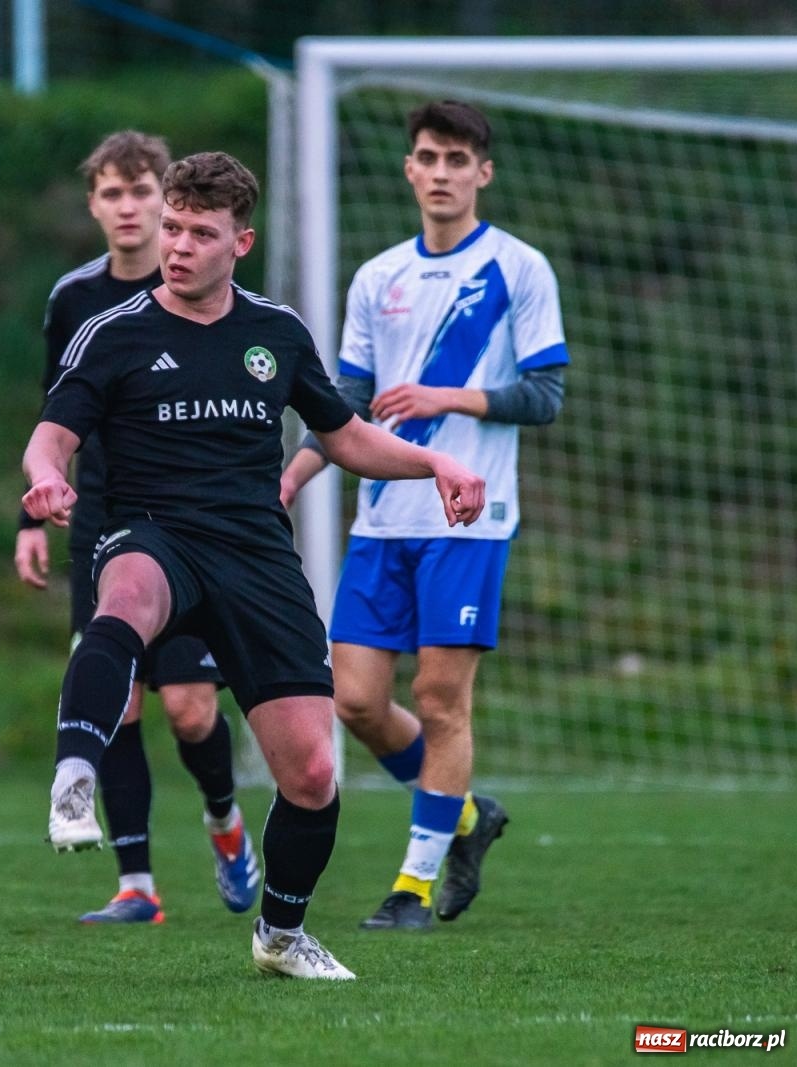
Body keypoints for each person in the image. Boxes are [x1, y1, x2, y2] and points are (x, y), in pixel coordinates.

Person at [22, 151, 486, 980]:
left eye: (200, 233)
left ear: (241, 241)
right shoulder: (115, 331)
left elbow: (345, 437)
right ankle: (74, 773)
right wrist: (48, 476)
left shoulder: (276, 332)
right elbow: (51, 433)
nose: (179, 246)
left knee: (311, 770)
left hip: (256, 554)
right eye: (173, 227)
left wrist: (437, 465)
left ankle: (280, 936)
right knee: (120, 598)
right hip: (154, 531)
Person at [280, 100, 567, 931]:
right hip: (381, 520)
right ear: (408, 169)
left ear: (483, 173)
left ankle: (411, 884)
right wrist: (296, 473)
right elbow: (346, 402)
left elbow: (545, 396)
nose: (440, 172)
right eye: (427, 157)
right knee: (357, 700)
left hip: (469, 519)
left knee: (442, 699)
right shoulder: (377, 278)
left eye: (457, 159)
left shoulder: (519, 269)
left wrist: (447, 395)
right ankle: (469, 815)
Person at [14, 130, 260, 925]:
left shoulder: (202, 290)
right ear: (93, 205)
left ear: (168, 205)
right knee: (115, 699)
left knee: (189, 706)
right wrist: (32, 512)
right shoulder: (74, 301)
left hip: (191, 526)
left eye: (143, 192)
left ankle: (223, 816)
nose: (130, 207)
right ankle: (137, 887)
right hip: (103, 522)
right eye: (112, 193)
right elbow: (56, 418)